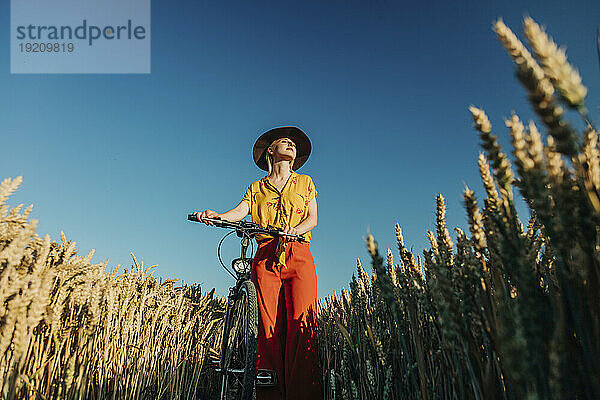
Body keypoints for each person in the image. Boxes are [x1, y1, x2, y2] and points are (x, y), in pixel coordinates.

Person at [195, 126, 323, 400]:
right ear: (270, 150)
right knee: (267, 329)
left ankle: (303, 395)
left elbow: (312, 218)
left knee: (303, 325)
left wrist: (295, 230)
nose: (290, 144)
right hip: (265, 256)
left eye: (293, 143)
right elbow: (240, 212)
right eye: (283, 141)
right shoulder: (256, 188)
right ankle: (271, 395)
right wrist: (216, 215)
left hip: (298, 254)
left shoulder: (306, 182)